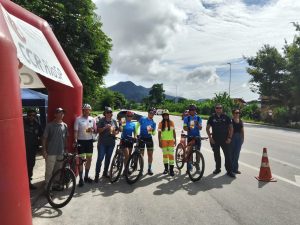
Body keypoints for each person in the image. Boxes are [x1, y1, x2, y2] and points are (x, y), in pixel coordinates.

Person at [206, 104, 235, 178]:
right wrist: (210, 138)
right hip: (215, 140)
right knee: (217, 155)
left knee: (228, 155)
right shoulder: (212, 117)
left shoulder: (226, 117)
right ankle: (218, 169)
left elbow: (231, 128)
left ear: (222, 109)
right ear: (215, 109)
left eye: (220, 108)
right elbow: (207, 128)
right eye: (217, 108)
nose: (219, 109)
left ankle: (229, 171)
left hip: (225, 140)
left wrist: (229, 138)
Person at [42, 108, 68, 189]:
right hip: (51, 153)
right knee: (49, 171)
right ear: (55, 114)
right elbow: (44, 138)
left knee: (58, 171)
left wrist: (66, 149)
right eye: (59, 113)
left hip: (60, 152)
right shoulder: (49, 125)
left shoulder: (65, 125)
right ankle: (47, 188)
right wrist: (44, 150)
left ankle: (55, 185)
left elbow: (66, 138)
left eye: (62, 113)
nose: (61, 114)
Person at [74, 103, 97, 187]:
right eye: (85, 110)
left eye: (88, 109)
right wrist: (75, 140)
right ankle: (81, 178)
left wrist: (93, 130)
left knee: (89, 159)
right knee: (81, 160)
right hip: (81, 142)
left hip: (89, 141)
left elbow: (95, 130)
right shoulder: (78, 119)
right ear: (83, 110)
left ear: (90, 110)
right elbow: (75, 131)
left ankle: (86, 176)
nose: (87, 111)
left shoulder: (92, 119)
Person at [95, 107, 119, 182]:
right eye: (107, 112)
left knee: (108, 159)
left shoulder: (114, 121)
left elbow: (117, 131)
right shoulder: (102, 120)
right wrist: (105, 127)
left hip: (111, 143)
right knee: (100, 159)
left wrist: (115, 132)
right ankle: (97, 175)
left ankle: (105, 173)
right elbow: (98, 131)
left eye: (110, 112)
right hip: (102, 143)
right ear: (105, 113)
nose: (109, 114)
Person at [23, 109, 43, 190]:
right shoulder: (22, 123)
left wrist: (43, 148)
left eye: (34, 115)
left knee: (30, 166)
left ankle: (28, 182)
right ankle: (23, 183)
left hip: (32, 150)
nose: (32, 117)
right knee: (23, 167)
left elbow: (41, 136)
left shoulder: (37, 124)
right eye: (30, 115)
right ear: (27, 115)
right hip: (23, 151)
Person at [137, 107, 157, 175]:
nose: (152, 114)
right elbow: (137, 126)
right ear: (148, 113)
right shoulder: (142, 119)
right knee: (141, 155)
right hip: (142, 138)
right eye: (151, 112)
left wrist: (151, 131)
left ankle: (149, 168)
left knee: (150, 155)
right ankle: (141, 169)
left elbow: (154, 133)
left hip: (149, 139)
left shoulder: (153, 123)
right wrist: (137, 134)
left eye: (153, 113)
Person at [183, 104, 203, 171]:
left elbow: (200, 128)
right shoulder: (187, 118)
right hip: (190, 137)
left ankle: (197, 164)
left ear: (195, 110)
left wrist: (197, 124)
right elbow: (184, 127)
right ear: (189, 111)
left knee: (198, 151)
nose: (192, 111)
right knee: (190, 152)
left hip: (197, 137)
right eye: (191, 110)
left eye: (193, 109)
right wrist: (188, 128)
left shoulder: (198, 118)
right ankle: (190, 165)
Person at [158, 109, 176, 176]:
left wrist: (175, 140)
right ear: (163, 116)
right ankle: (166, 169)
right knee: (165, 156)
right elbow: (159, 133)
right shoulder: (160, 123)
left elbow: (174, 131)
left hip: (171, 141)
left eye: (167, 115)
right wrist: (159, 142)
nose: (166, 116)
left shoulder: (171, 122)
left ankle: (171, 170)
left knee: (171, 156)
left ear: (168, 115)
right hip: (164, 141)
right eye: (164, 115)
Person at [231, 109, 244, 174]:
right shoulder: (231, 121)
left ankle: (235, 168)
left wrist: (242, 138)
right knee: (232, 153)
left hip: (239, 138)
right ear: (233, 114)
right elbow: (229, 130)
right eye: (236, 113)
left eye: (238, 112)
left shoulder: (240, 121)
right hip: (233, 137)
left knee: (237, 154)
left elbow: (242, 130)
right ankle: (230, 168)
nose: (237, 114)